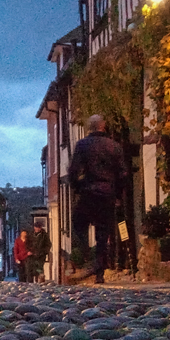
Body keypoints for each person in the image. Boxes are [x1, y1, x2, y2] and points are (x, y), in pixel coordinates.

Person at [69, 115, 130, 284]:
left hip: (89, 192)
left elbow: (74, 171)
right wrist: (117, 194)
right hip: (107, 193)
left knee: (78, 223)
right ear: (104, 127)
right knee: (103, 234)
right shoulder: (115, 146)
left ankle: (86, 253)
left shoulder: (82, 145)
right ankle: (100, 273)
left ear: (90, 127)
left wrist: (78, 187)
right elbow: (123, 174)